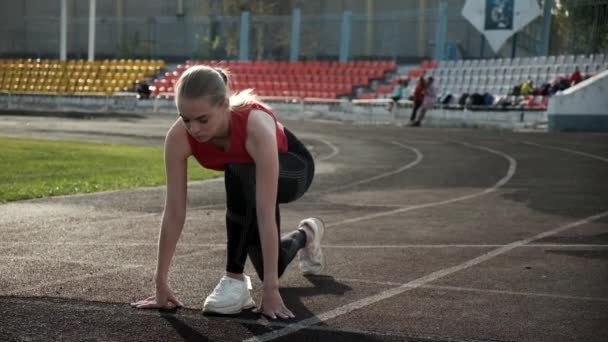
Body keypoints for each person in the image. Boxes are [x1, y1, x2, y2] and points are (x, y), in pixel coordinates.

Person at [130, 65, 325, 320]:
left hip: (294, 171)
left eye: (203, 119)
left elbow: (265, 214)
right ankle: (307, 234)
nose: (194, 129)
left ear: (224, 106)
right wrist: (160, 282)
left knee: (239, 169)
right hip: (249, 183)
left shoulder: (255, 127)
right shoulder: (179, 137)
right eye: (185, 119)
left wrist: (270, 290)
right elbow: (175, 212)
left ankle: (234, 280)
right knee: (273, 267)